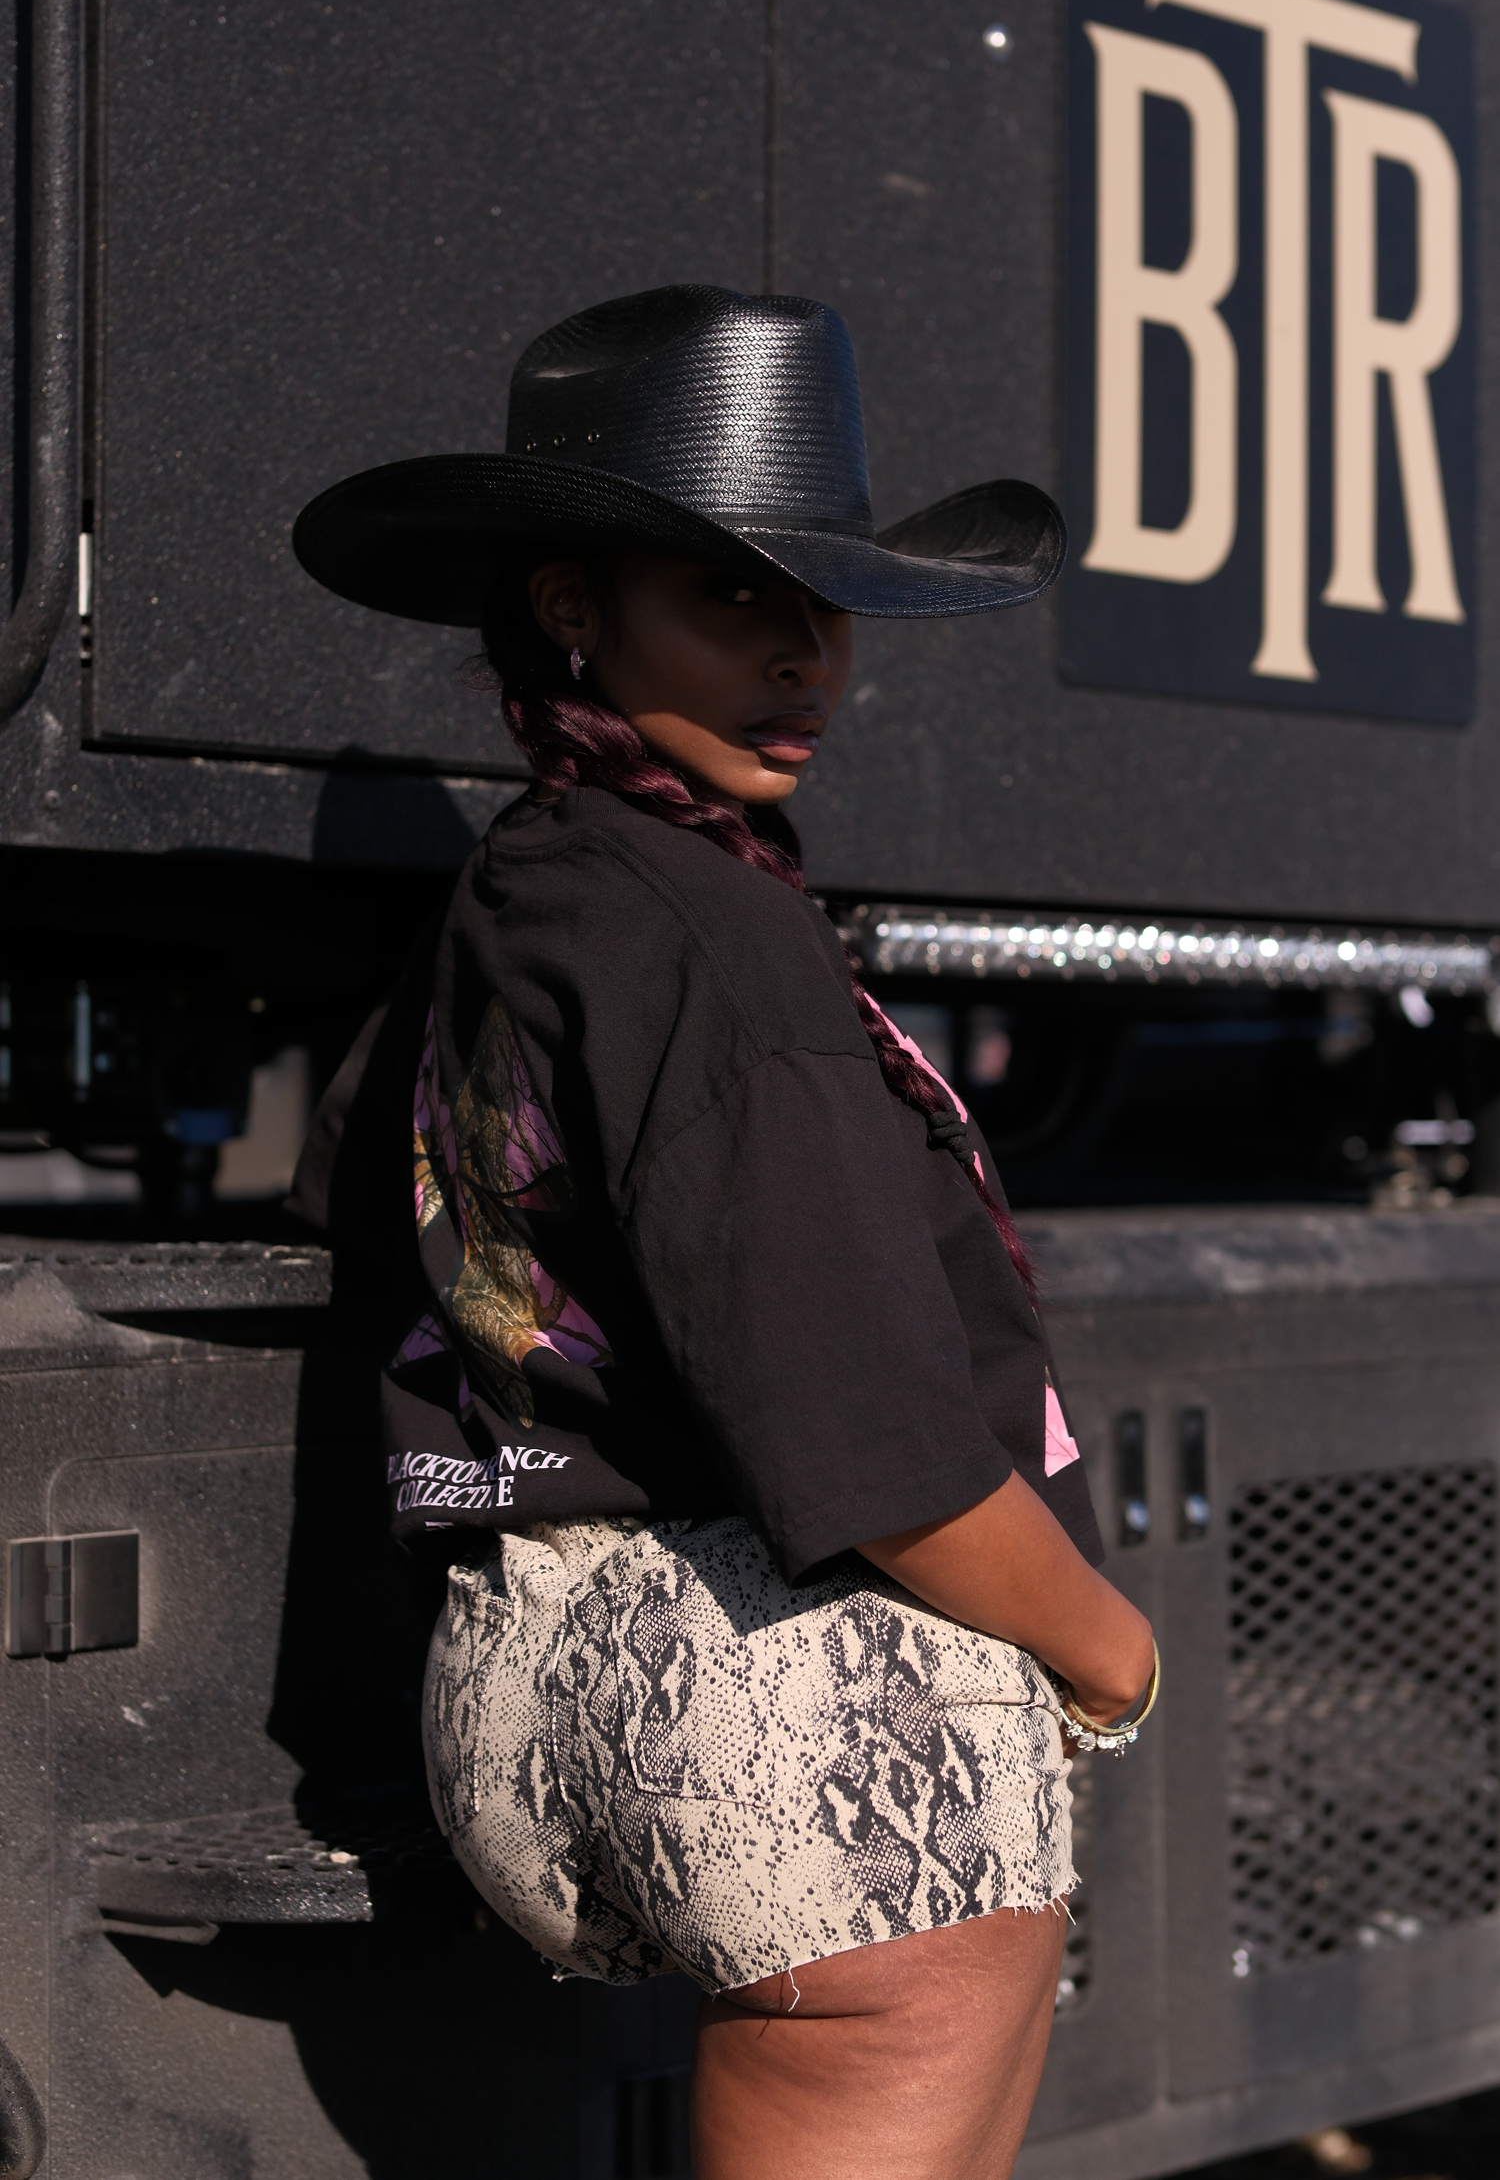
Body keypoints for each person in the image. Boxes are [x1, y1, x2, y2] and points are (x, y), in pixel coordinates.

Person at [290, 284, 1157, 2180]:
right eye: (736, 598)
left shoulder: (524, 885)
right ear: (571, 607)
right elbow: (869, 1442)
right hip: (778, 1714)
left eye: (824, 604)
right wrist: (1108, 1649)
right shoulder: (712, 928)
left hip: (530, 1670)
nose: (807, 660)